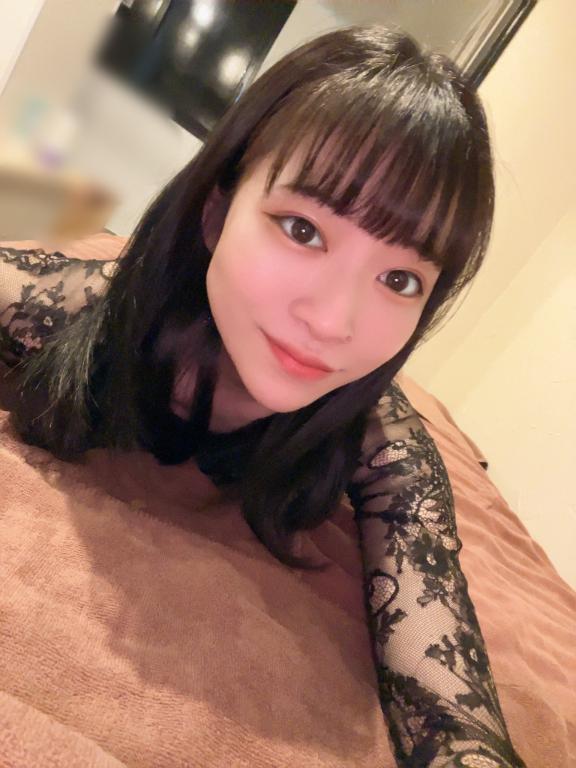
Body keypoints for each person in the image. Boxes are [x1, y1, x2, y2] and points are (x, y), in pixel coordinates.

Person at [0, 25, 526, 768]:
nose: (334, 322)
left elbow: (451, 711)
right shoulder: (71, 309)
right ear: (218, 214)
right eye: (302, 229)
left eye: (400, 279)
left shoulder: (383, 446)